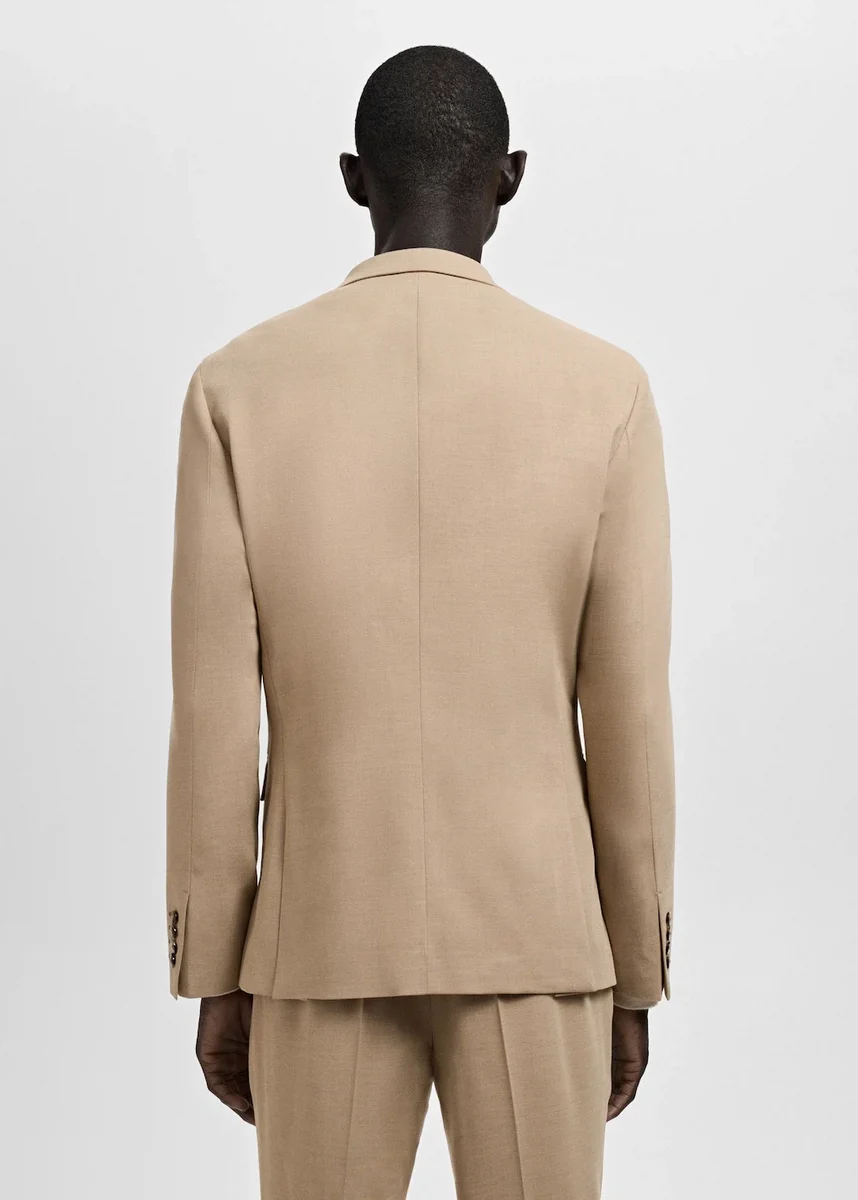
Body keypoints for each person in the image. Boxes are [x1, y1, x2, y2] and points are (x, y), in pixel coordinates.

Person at [166, 43, 675, 1200]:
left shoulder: (235, 388)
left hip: (318, 937)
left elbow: (213, 716)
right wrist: (634, 972)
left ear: (355, 181)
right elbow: (630, 716)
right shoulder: (606, 391)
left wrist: (217, 967)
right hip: (541, 939)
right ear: (511, 177)